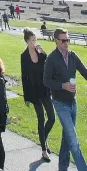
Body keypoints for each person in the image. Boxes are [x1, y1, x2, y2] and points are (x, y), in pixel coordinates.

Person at [43, 28, 87, 171]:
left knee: (67, 139)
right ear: (56, 41)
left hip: (73, 103)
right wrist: (63, 85)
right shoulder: (51, 59)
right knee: (74, 141)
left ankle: (62, 168)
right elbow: (46, 81)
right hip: (60, 104)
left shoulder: (73, 56)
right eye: (63, 40)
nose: (66, 43)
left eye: (67, 40)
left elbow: (86, 73)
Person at [21, 29, 55, 162]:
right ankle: (43, 150)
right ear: (27, 42)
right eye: (32, 41)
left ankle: (43, 139)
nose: (35, 43)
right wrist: (26, 97)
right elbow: (24, 77)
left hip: (45, 89)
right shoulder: (24, 56)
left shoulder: (40, 53)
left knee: (52, 118)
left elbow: (47, 67)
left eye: (35, 40)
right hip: (34, 92)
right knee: (41, 118)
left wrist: (43, 53)